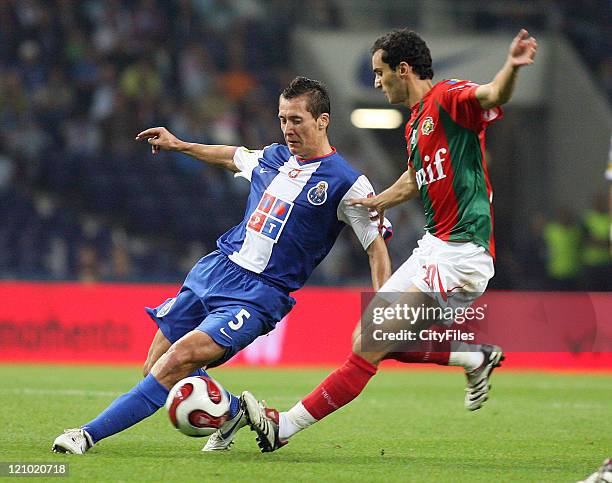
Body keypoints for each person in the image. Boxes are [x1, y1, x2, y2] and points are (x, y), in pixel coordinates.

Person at [51, 76, 392, 454]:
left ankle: (85, 435)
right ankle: (234, 412)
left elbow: (376, 248)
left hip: (259, 294)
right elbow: (232, 156)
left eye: (297, 120)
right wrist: (179, 145)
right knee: (154, 366)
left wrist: (383, 305)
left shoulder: (348, 182)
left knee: (178, 359)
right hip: (215, 269)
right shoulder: (273, 157)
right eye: (283, 119)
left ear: (323, 120)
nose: (288, 129)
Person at [242, 28, 538, 452]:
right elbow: (415, 178)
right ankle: (472, 356)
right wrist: (380, 200)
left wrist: (511, 66)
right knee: (369, 337)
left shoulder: (450, 98)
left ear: (404, 69)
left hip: (462, 253)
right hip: (432, 246)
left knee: (372, 344)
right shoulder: (416, 122)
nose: (377, 82)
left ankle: (283, 427)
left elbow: (492, 95)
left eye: (380, 73)